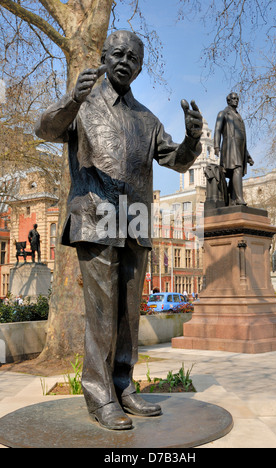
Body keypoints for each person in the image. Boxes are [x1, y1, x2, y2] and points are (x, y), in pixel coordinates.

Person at [35, 30, 203, 431]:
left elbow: (177, 161)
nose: (125, 61)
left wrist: (192, 138)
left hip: (137, 221)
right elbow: (45, 129)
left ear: (141, 66)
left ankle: (123, 386)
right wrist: (72, 98)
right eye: (117, 54)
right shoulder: (82, 105)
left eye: (133, 57)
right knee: (102, 313)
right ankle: (99, 395)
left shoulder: (148, 119)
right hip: (95, 217)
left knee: (128, 313)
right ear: (105, 57)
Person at [214, 93, 254, 205]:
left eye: (237, 99)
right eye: (233, 99)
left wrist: (247, 155)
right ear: (228, 101)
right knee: (237, 168)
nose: (236, 100)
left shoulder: (239, 116)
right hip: (230, 146)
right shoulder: (223, 113)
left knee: (237, 172)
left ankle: (233, 199)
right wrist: (216, 145)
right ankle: (239, 198)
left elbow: (241, 137)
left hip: (240, 148)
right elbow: (217, 130)